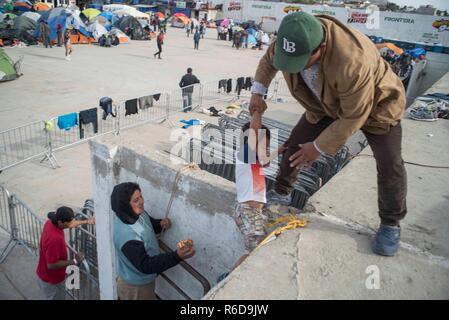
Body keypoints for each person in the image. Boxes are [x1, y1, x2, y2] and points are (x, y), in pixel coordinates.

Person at [250, 12, 407, 257]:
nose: (295, 67)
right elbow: (268, 62)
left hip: (375, 108)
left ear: (321, 47)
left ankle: (390, 223)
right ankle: (282, 192)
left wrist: (319, 147)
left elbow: (354, 115)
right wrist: (257, 93)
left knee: (390, 165)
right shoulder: (293, 37)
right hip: (323, 104)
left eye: (301, 61)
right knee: (296, 144)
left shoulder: (353, 60)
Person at [112, 183, 195, 300]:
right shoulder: (127, 236)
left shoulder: (136, 214)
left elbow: (147, 224)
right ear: (125, 206)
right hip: (136, 287)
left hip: (143, 280)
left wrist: (160, 224)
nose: (141, 201)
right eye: (136, 200)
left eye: (140, 196)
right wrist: (177, 256)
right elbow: (146, 265)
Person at [36, 207, 94, 300]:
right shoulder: (54, 239)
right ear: (60, 222)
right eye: (69, 222)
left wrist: (86, 221)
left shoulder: (50, 223)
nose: (71, 224)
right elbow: (51, 265)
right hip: (51, 280)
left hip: (46, 275)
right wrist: (75, 261)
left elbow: (70, 224)